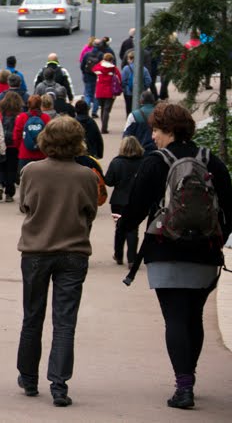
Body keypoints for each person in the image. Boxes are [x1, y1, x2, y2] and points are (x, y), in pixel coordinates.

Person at [119, 102, 232, 410]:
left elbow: (137, 206)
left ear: (168, 131)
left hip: (165, 249)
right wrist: (215, 236)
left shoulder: (156, 162)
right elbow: (229, 208)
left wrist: (124, 225)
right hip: (206, 253)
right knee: (193, 316)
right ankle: (189, 376)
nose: (153, 136)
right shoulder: (212, 161)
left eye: (156, 130)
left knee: (175, 317)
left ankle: (184, 387)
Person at [16, 117, 100, 408]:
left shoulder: (31, 171)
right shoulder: (86, 175)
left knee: (32, 316)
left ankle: (28, 376)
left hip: (36, 250)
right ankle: (59, 383)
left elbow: (25, 205)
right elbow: (90, 211)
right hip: (73, 251)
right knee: (65, 321)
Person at [104, 136, 144, 266]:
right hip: (137, 201)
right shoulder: (143, 162)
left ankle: (118, 254)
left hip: (118, 201)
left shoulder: (116, 162)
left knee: (119, 227)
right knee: (133, 229)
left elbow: (109, 182)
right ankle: (132, 258)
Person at [0, 91, 25, 203]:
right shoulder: (19, 114)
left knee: (0, 165)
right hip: (13, 145)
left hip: (1, 143)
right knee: (11, 169)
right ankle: (9, 193)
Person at [14, 95, 50, 179]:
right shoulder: (45, 118)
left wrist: (19, 148)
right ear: (40, 104)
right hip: (41, 154)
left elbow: (16, 136)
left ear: (28, 105)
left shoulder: (22, 117)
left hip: (25, 154)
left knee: (26, 182)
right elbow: (50, 136)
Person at [92, 52, 122, 134]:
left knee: (102, 108)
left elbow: (93, 69)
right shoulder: (113, 68)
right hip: (109, 91)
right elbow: (119, 78)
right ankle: (104, 128)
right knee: (107, 110)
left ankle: (103, 126)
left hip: (99, 91)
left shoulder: (98, 67)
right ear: (111, 60)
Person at [121, 50, 153, 116]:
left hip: (128, 92)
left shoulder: (126, 68)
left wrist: (125, 88)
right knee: (140, 109)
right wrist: (144, 87)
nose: (127, 60)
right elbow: (148, 80)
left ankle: (130, 120)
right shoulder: (143, 69)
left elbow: (122, 81)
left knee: (129, 108)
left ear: (131, 59)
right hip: (140, 92)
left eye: (128, 59)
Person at [80, 39, 104, 118]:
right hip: (97, 77)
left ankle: (86, 110)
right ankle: (94, 111)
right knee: (96, 94)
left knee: (88, 94)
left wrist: (84, 73)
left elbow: (82, 66)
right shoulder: (101, 55)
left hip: (88, 76)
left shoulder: (87, 54)